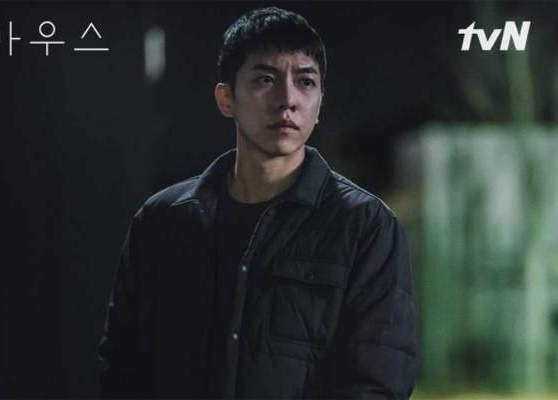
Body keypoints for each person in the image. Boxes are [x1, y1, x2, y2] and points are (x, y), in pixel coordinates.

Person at [97, 6, 417, 399]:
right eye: (265, 79)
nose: (287, 100)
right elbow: (122, 366)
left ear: (319, 103)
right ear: (226, 98)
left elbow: (376, 382)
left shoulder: (365, 225)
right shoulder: (162, 220)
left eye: (305, 82)